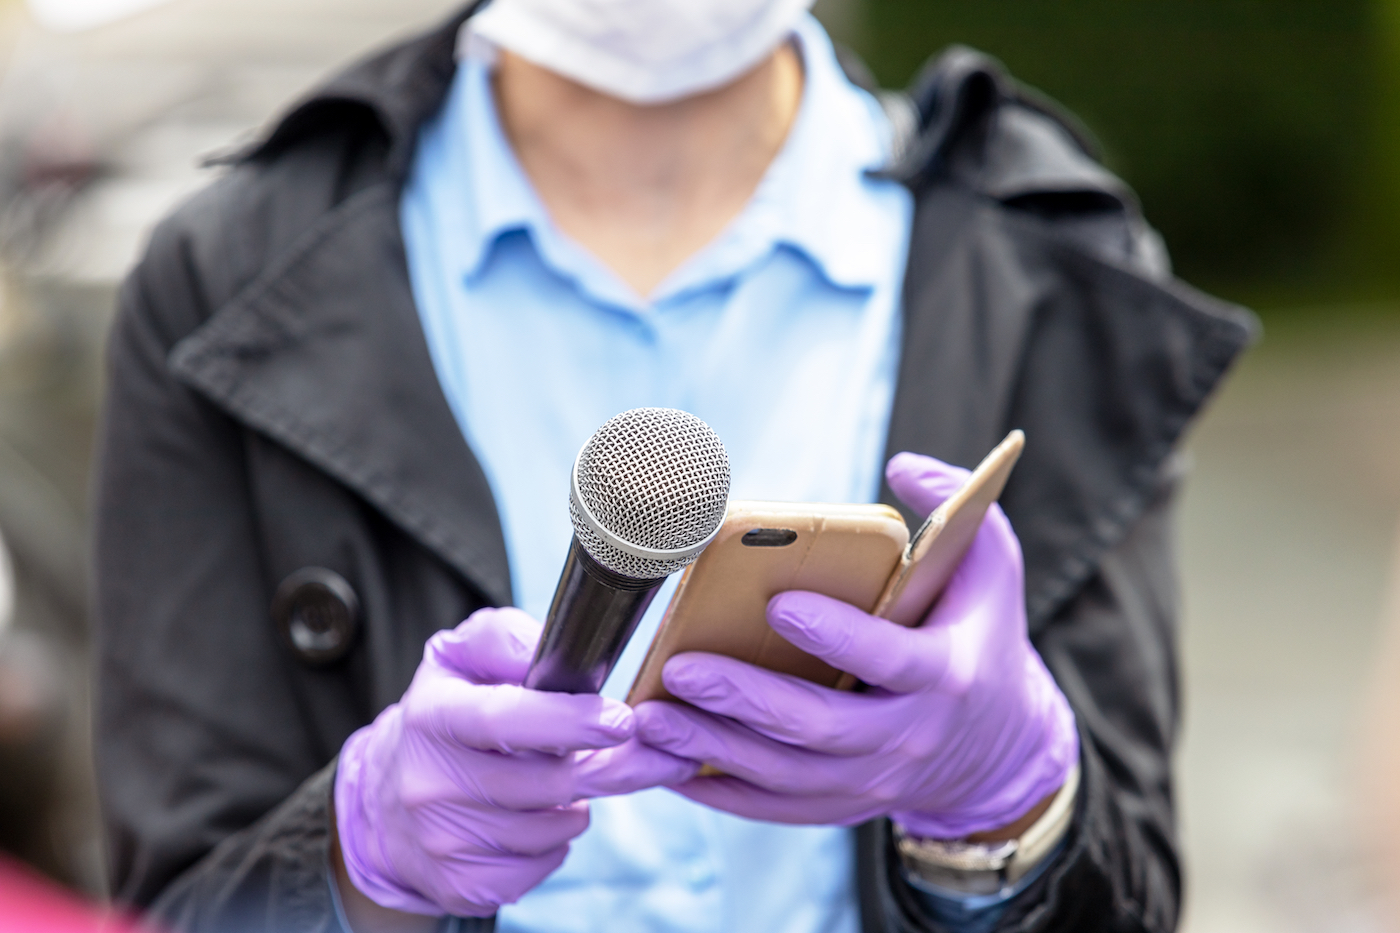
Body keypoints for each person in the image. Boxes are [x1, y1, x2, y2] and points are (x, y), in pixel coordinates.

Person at [92, 1, 1256, 931]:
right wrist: (354, 870)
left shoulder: (1048, 270)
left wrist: (1006, 809)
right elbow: (178, 900)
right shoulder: (221, 279)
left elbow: (1133, 893)